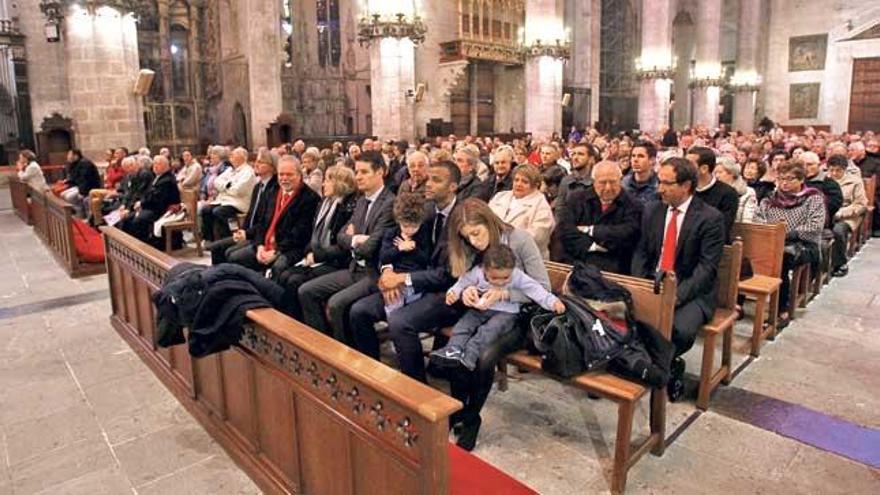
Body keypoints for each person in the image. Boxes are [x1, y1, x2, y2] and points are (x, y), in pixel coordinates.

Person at [443, 198, 552, 450]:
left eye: (476, 233)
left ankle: (471, 419)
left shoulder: (519, 240)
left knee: (484, 356)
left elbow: (543, 289)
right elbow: (468, 280)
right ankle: (458, 409)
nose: (473, 241)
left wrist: (505, 294)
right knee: (457, 347)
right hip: (485, 312)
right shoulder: (472, 247)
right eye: (467, 237)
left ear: (489, 222)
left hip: (519, 315)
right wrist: (466, 291)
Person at [348, 161, 462, 381]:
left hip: (445, 292)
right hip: (409, 282)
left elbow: (448, 274)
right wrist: (388, 273)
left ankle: (416, 390)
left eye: (436, 180)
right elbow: (390, 239)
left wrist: (403, 279)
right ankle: (373, 376)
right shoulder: (424, 209)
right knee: (359, 311)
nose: (427, 184)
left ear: (453, 187)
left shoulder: (461, 218)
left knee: (400, 322)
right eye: (428, 178)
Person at [631, 157, 724, 401]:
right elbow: (642, 250)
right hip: (654, 283)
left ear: (686, 186)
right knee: (626, 317)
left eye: (667, 183)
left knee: (676, 329)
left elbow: (706, 269)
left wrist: (676, 296)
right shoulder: (653, 209)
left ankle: (667, 367)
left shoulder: (709, 218)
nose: (659, 188)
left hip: (692, 292)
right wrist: (639, 284)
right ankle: (658, 367)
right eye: (659, 182)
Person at [298, 151, 395, 343]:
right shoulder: (360, 201)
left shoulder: (390, 203)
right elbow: (341, 236)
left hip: (373, 273)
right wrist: (356, 239)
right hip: (353, 268)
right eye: (357, 171)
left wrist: (352, 240)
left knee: (336, 304)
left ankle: (345, 358)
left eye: (364, 172)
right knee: (306, 291)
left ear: (380, 172)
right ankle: (321, 345)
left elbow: (371, 248)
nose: (358, 176)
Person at [430, 244, 564, 372]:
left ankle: (470, 355)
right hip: (481, 309)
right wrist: (453, 293)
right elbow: (462, 283)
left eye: (506, 278)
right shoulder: (477, 272)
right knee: (463, 325)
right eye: (494, 278)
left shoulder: (518, 276)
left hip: (507, 313)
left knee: (490, 330)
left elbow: (536, 290)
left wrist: (552, 302)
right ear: (484, 269)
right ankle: (453, 349)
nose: (500, 282)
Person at [276, 165, 358, 319]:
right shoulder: (324, 203)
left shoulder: (348, 207)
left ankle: (303, 330)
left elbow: (343, 246)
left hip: (337, 261)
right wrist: (309, 252)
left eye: (327, 180)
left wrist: (317, 256)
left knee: (294, 280)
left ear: (339, 183)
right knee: (285, 275)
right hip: (318, 255)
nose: (323, 184)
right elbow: (313, 234)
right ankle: (288, 323)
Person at [754, 160, 825, 326]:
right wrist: (770, 232)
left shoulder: (813, 198)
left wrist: (787, 233)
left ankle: (781, 310)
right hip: (772, 241)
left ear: (801, 180)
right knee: (747, 255)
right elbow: (758, 218)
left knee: (781, 259)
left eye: (790, 179)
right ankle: (738, 303)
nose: (784, 183)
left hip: (803, 244)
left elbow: (815, 226)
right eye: (781, 179)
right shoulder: (770, 199)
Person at [227, 155, 320, 275]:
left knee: (279, 266)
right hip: (266, 244)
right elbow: (262, 223)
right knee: (235, 257)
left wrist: (276, 251)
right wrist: (260, 246)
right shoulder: (272, 192)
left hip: (290, 248)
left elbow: (299, 234)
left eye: (289, 174)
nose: (284, 178)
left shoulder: (310, 198)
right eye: (281, 174)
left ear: (299, 175)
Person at [556, 160, 643, 273]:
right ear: (594, 182)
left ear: (620, 180)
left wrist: (591, 230)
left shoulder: (633, 204)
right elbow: (565, 230)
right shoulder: (576, 199)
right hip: (577, 263)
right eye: (602, 182)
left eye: (613, 182)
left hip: (615, 269)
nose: (608, 188)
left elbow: (627, 234)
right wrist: (593, 246)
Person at [210, 149, 279, 265]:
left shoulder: (274, 189)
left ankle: (232, 280)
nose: (256, 164)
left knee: (231, 254)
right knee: (216, 247)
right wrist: (243, 230)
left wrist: (247, 234)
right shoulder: (258, 186)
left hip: (260, 236)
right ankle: (218, 281)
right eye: (257, 161)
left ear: (272, 167)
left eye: (261, 162)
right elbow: (251, 214)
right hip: (250, 232)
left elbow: (266, 221)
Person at [378, 193, 432, 314]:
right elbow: (384, 257)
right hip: (394, 280)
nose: (410, 230)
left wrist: (414, 249)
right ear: (398, 221)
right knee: (393, 308)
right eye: (405, 226)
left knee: (411, 310)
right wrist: (399, 248)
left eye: (414, 227)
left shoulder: (423, 233)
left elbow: (426, 259)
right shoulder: (391, 233)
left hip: (415, 280)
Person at [488, 164, 555, 259]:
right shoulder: (500, 196)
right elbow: (485, 219)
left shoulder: (541, 206)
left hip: (525, 258)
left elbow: (536, 238)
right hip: (492, 251)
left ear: (535, 185)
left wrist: (504, 240)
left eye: (525, 182)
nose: (519, 184)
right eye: (516, 180)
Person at [119, 155, 181, 246]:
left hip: (163, 209)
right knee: (128, 218)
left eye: (158, 164)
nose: (155, 166)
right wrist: (141, 203)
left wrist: (142, 204)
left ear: (166, 165)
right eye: (154, 163)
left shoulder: (167, 179)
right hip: (154, 206)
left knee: (138, 220)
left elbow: (158, 199)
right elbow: (148, 194)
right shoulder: (159, 177)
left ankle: (144, 246)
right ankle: (129, 245)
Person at [200, 147, 256, 242]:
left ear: (241, 158)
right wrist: (227, 186)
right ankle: (210, 239)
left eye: (233, 156)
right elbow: (216, 182)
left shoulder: (248, 172)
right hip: (225, 200)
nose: (231, 158)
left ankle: (230, 236)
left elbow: (238, 190)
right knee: (205, 210)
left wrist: (224, 188)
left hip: (239, 203)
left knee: (219, 212)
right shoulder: (230, 170)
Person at [688, 146, 739, 242]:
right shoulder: (686, 189)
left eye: (689, 164)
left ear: (704, 168)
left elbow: (721, 228)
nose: (684, 168)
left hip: (712, 246)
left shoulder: (728, 193)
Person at [827, 155, 867, 277]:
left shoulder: (855, 181)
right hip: (827, 212)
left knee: (838, 231)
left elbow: (861, 204)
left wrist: (842, 212)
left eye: (838, 170)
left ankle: (840, 264)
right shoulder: (825, 180)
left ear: (844, 169)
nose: (834, 173)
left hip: (847, 216)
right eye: (831, 170)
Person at [555, 142, 600, 213]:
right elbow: (560, 208)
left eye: (580, 154)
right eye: (573, 154)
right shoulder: (566, 181)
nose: (575, 158)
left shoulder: (598, 180)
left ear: (591, 159)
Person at [802, 151, 843, 228]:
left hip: (818, 222)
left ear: (818, 165)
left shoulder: (829, 183)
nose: (805, 167)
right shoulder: (796, 181)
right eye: (802, 165)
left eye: (810, 164)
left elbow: (834, 205)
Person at [714, 155, 757, 223]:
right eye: (715, 173)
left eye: (720, 172)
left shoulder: (748, 192)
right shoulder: (714, 191)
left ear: (731, 173)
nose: (717, 176)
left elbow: (747, 220)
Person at [60, 149, 101, 216]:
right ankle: (77, 210)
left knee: (69, 197)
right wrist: (67, 181)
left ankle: (80, 212)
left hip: (89, 187)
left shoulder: (85, 164)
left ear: (76, 156)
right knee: (63, 194)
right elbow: (75, 177)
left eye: (69, 155)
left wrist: (82, 193)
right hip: (80, 186)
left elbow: (86, 180)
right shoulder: (75, 164)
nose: (67, 157)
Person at [622, 140, 659, 205]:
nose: (635, 160)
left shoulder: (659, 186)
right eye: (633, 156)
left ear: (652, 160)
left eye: (641, 156)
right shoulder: (623, 184)